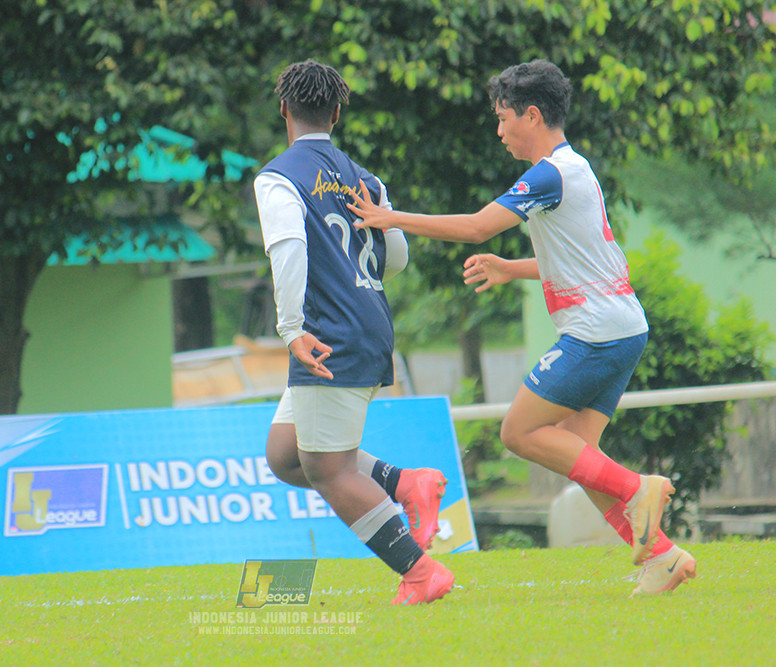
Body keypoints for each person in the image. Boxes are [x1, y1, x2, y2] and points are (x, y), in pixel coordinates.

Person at [348, 59, 696, 595]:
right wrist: (511, 268)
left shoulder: (549, 173)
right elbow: (594, 259)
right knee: (581, 457)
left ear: (532, 115)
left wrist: (391, 218)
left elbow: (477, 226)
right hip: (624, 327)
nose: (499, 129)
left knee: (518, 432)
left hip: (595, 332)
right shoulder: (573, 169)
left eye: (504, 117)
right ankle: (661, 555)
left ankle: (639, 487)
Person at [255, 59, 454, 605]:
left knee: (326, 469)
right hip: (368, 321)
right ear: (337, 113)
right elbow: (397, 258)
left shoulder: (278, 176)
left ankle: (420, 573)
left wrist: (291, 328)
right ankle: (407, 483)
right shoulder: (367, 180)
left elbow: (289, 249)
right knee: (284, 454)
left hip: (326, 332)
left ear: (284, 111)